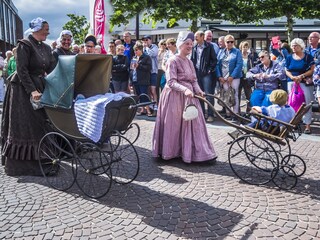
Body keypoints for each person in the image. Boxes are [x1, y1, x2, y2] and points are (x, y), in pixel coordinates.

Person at [1, 17, 56, 175]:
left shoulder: (45, 47)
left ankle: (44, 159)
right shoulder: (24, 45)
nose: (48, 32)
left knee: (41, 124)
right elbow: (22, 70)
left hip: (39, 87)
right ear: (37, 29)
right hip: (22, 91)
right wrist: (32, 91)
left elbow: (52, 68)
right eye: (46, 29)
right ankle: (25, 165)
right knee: (28, 125)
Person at [152, 31, 217, 164]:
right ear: (180, 44)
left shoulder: (189, 62)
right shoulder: (172, 61)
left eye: (191, 44)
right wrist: (185, 89)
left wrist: (199, 91)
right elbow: (171, 82)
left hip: (189, 97)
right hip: (174, 97)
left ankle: (198, 153)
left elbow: (193, 80)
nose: (189, 46)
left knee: (194, 124)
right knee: (174, 125)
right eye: (187, 44)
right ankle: (172, 151)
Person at [285, 38, 315, 134]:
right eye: (292, 45)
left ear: (301, 46)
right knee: (292, 103)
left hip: (304, 82)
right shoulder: (289, 57)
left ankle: (307, 124)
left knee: (306, 103)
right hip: (292, 82)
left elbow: (312, 69)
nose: (293, 47)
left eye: (296, 45)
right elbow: (286, 70)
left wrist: (301, 76)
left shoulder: (308, 57)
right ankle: (294, 123)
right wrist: (293, 77)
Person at [191, 31, 217, 123]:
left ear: (202, 37)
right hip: (197, 73)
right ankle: (201, 114)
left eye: (196, 36)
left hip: (206, 74)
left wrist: (209, 70)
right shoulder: (194, 47)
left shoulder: (209, 46)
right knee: (199, 94)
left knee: (208, 94)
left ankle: (210, 115)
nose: (195, 38)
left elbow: (214, 60)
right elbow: (192, 60)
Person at [216, 34, 243, 118]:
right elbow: (217, 65)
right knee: (226, 95)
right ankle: (228, 113)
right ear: (225, 42)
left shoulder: (237, 51)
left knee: (234, 94)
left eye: (232, 42)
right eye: (228, 42)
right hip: (223, 78)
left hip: (234, 78)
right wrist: (219, 76)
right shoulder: (221, 52)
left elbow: (239, 64)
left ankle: (235, 114)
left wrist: (232, 76)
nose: (230, 43)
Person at [130, 41, 152, 116]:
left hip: (143, 79)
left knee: (144, 95)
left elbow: (149, 68)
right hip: (135, 79)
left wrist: (139, 66)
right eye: (134, 50)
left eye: (136, 50)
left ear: (141, 49)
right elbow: (131, 69)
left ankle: (148, 110)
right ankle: (142, 110)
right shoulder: (134, 58)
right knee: (139, 95)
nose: (135, 52)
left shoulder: (146, 57)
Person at [238, 41, 256, 114]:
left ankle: (248, 111)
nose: (245, 49)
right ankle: (237, 111)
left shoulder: (250, 57)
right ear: (241, 48)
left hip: (247, 78)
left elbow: (253, 66)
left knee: (249, 95)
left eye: (246, 47)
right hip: (240, 77)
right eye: (243, 47)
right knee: (237, 95)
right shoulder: (238, 56)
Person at [142, 35, 159, 112]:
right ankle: (150, 104)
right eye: (144, 40)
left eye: (147, 40)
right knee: (148, 90)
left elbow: (152, 54)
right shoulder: (143, 48)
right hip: (145, 72)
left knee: (153, 89)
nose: (145, 41)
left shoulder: (154, 47)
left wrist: (146, 47)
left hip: (153, 71)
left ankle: (155, 104)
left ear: (150, 40)